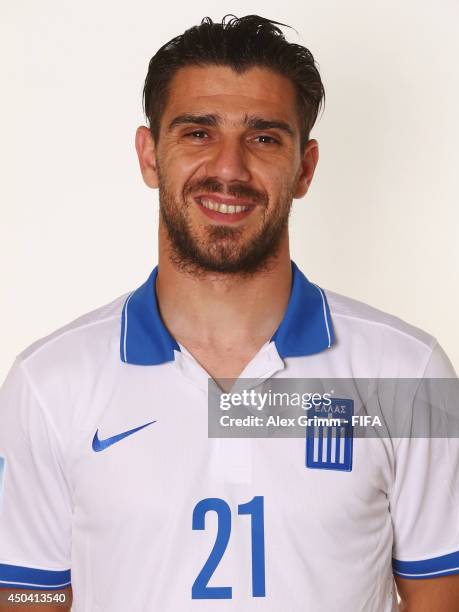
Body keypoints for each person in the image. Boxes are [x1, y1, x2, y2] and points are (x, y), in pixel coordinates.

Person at [0, 14, 458, 612]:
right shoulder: (47, 383)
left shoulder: (411, 373)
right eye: (197, 132)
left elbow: (440, 597)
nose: (228, 168)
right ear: (149, 155)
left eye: (265, 137)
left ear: (305, 167)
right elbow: (29, 600)